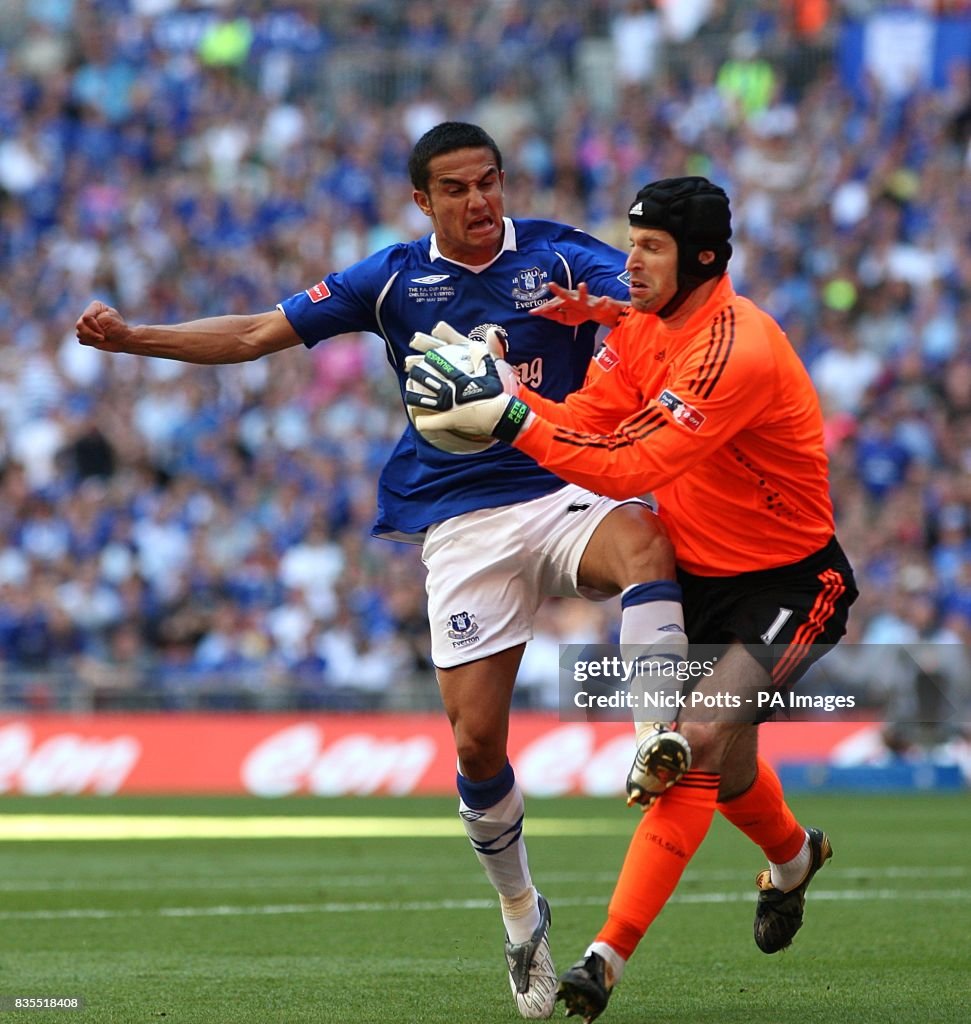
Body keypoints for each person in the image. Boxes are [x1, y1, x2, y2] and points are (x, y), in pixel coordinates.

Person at [75, 122, 692, 1021]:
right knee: (477, 746)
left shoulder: (561, 254)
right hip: (460, 524)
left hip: (563, 482)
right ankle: (522, 913)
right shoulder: (393, 277)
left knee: (645, 538)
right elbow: (254, 333)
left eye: (488, 182)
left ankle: (654, 734)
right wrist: (136, 339)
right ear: (422, 200)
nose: (478, 201)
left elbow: (655, 304)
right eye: (456, 188)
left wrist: (621, 307)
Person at [405, 175, 859, 1022]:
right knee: (721, 769)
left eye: (650, 248)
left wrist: (502, 417)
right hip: (701, 581)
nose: (629, 262)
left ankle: (602, 958)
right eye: (631, 242)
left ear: (704, 259)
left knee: (693, 746)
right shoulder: (642, 328)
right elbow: (585, 422)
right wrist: (504, 395)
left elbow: (629, 468)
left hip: (792, 586)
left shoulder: (734, 348)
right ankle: (795, 858)